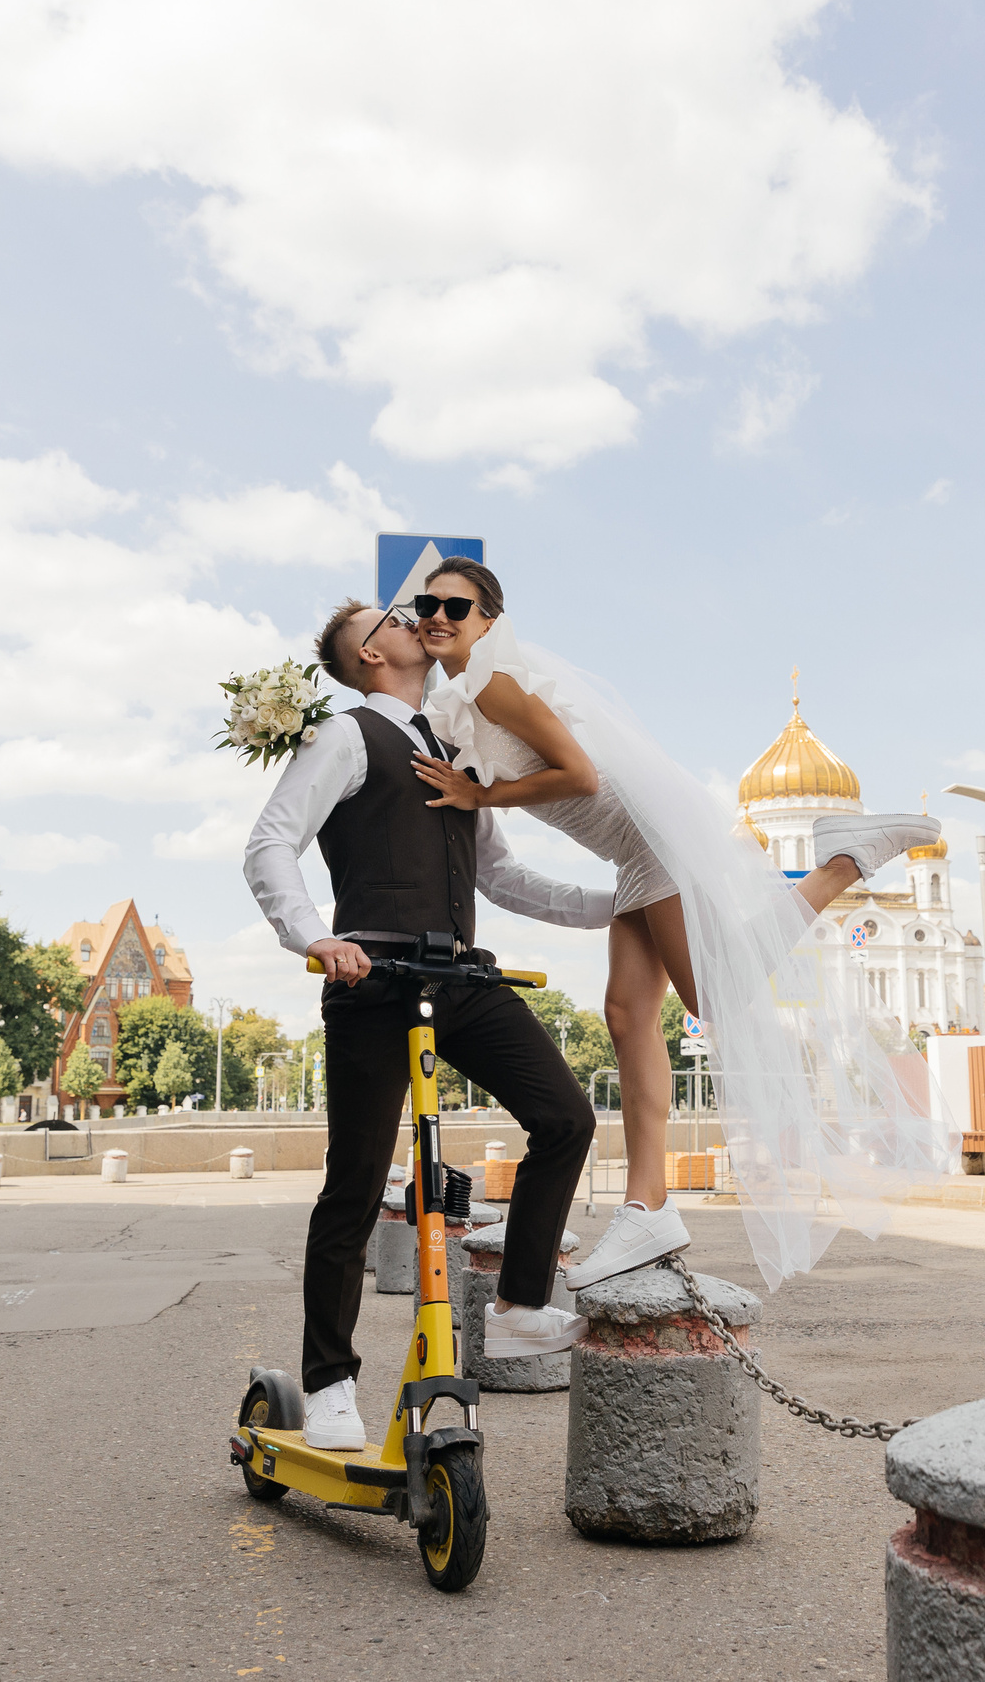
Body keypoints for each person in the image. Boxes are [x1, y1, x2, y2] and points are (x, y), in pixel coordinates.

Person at [410, 558, 948, 1291]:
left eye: (456, 606)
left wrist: (481, 797)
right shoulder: (470, 693)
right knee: (628, 1015)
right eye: (427, 604)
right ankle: (647, 1204)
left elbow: (581, 774)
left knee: (711, 998)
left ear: (489, 621)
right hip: (630, 845)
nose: (438, 615)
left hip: (644, 833)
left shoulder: (496, 680)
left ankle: (842, 865)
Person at [242, 597, 615, 1452]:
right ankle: (331, 1382)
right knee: (356, 1181)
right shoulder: (343, 737)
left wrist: (614, 905)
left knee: (565, 1115)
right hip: (372, 975)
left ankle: (521, 1303)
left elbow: (503, 877)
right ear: (371, 655)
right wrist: (316, 937)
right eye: (395, 617)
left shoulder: (455, 745)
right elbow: (270, 844)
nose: (415, 618)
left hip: (458, 975)